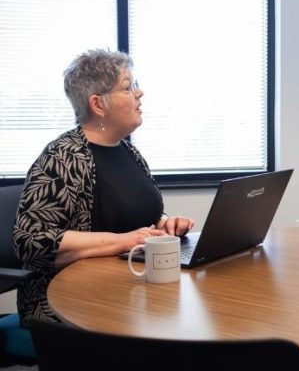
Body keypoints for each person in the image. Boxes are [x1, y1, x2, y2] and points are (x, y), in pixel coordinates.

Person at [13, 49, 196, 326]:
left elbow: (137, 217)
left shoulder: (130, 154)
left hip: (128, 287)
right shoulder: (63, 157)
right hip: (67, 300)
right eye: (128, 86)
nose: (139, 93)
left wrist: (167, 223)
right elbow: (31, 240)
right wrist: (124, 241)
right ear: (98, 105)